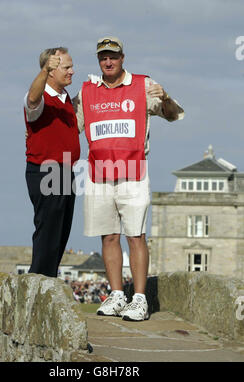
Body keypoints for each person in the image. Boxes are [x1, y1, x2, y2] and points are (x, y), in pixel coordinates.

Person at [74, 36, 184, 321]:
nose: (108, 62)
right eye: (103, 57)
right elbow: (69, 125)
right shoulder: (87, 91)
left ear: (123, 58)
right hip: (98, 174)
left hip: (133, 172)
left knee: (135, 235)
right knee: (109, 236)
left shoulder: (142, 86)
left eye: (113, 56)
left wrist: (166, 97)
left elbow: (172, 115)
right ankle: (116, 294)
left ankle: (139, 298)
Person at [24, 47, 80, 277]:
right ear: (50, 70)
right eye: (66, 67)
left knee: (60, 233)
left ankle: (47, 281)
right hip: (48, 170)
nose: (72, 72)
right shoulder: (41, 95)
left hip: (66, 170)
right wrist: (44, 69)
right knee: (48, 232)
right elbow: (32, 99)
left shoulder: (65, 99)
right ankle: (38, 284)